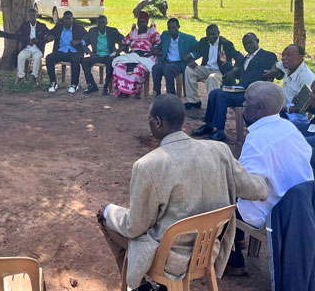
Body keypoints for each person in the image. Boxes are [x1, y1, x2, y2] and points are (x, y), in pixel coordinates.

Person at [98, 94, 268, 290]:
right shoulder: (219, 151)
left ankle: (141, 287)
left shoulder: (147, 166)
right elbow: (256, 189)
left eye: (150, 119)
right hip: (207, 251)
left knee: (107, 219)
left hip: (169, 259)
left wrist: (109, 210)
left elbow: (135, 226)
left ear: (158, 122)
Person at [228, 81, 313, 275]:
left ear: (259, 108)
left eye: (246, 101)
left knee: (219, 196)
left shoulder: (257, 140)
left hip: (273, 211)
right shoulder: (289, 127)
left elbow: (245, 186)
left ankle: (233, 259)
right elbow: (307, 154)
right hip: (298, 205)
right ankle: (238, 237)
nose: (243, 105)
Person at [191, 33, 277, 141]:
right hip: (240, 90)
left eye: (250, 43)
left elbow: (277, 69)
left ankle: (220, 131)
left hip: (253, 93)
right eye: (245, 44)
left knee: (222, 96)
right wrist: (225, 63)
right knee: (214, 93)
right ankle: (208, 126)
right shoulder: (245, 58)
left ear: (257, 41)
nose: (248, 46)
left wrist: (275, 71)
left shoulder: (267, 55)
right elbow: (237, 74)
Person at [183, 24, 239, 109]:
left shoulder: (226, 44)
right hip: (206, 68)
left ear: (218, 33)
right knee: (189, 69)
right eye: (208, 34)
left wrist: (234, 70)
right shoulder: (204, 42)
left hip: (219, 71)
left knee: (211, 78)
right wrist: (192, 60)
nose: (211, 37)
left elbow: (238, 57)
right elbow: (195, 50)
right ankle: (194, 101)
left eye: (213, 34)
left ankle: (212, 107)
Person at [263, 44, 315, 125]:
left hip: (296, 118)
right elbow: (276, 64)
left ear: (300, 57)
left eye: (289, 55)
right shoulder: (287, 67)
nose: (284, 58)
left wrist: (281, 109)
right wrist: (272, 76)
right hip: (282, 111)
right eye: (283, 55)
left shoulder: (307, 77)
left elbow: (306, 107)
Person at [111, 11, 160, 99]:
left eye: (142, 22)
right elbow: (124, 43)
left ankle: (137, 91)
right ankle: (123, 91)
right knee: (119, 66)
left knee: (138, 69)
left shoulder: (151, 31)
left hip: (146, 56)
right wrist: (117, 51)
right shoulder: (134, 32)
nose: (140, 24)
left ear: (147, 22)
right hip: (133, 55)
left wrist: (149, 53)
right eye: (139, 22)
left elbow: (157, 45)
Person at [152, 18, 198, 96]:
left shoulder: (187, 38)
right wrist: (156, 46)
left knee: (168, 69)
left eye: (173, 27)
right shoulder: (165, 35)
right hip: (166, 61)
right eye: (169, 28)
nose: (171, 30)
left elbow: (200, 48)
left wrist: (191, 55)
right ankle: (157, 93)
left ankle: (171, 94)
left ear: (178, 27)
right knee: (156, 67)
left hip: (180, 63)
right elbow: (157, 42)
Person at [44, 11, 87, 93]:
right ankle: (53, 83)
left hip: (74, 52)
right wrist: (48, 37)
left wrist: (78, 42)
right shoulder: (58, 27)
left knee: (75, 60)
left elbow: (88, 39)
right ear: (63, 20)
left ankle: (74, 84)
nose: (68, 21)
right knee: (49, 58)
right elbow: (47, 34)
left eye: (69, 19)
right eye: (66, 19)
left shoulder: (79, 28)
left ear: (72, 19)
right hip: (61, 51)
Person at [81, 15, 123, 95]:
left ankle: (106, 86)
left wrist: (118, 51)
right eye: (99, 23)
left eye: (103, 22)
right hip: (96, 55)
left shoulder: (112, 31)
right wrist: (89, 52)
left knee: (111, 62)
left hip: (109, 55)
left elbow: (123, 40)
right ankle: (92, 85)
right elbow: (83, 41)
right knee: (84, 61)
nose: (100, 25)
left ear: (106, 23)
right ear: (96, 23)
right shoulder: (92, 31)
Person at [14, 9, 49, 85]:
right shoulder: (24, 25)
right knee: (20, 56)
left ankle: (34, 77)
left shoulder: (41, 26)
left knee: (37, 57)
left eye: (33, 15)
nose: (32, 17)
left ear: (36, 16)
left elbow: (48, 36)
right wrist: (27, 40)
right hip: (27, 48)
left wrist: (38, 41)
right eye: (30, 15)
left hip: (37, 48)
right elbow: (17, 35)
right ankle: (21, 77)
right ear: (28, 16)